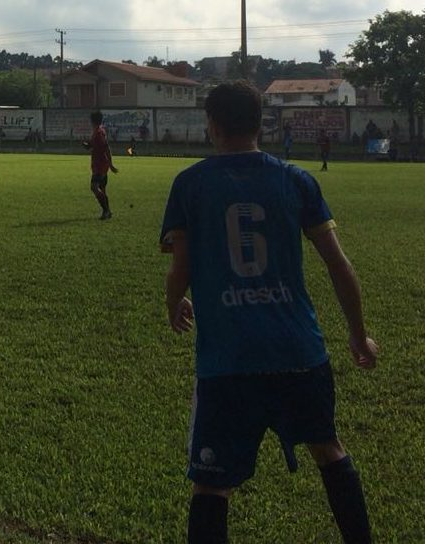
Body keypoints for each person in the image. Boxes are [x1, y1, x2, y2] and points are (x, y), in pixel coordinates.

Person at [160, 81, 377, 544]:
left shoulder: (190, 184)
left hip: (228, 361)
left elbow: (181, 267)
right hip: (298, 352)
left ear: (213, 125)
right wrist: (358, 335)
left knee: (212, 483)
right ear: (262, 124)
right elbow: (338, 264)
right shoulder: (295, 180)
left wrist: (174, 302)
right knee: (328, 448)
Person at [82, 111, 118, 220]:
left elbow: (106, 148)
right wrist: (86, 145)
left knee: (94, 187)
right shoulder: (98, 131)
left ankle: (106, 210)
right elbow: (93, 146)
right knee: (102, 189)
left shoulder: (99, 133)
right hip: (99, 165)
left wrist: (110, 164)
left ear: (92, 121)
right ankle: (108, 212)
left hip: (100, 165)